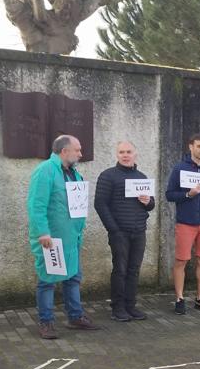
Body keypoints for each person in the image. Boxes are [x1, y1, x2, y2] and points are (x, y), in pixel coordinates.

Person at [27, 134, 99, 339]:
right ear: (64, 151)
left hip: (72, 237)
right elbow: (36, 205)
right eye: (77, 150)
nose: (80, 154)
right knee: (47, 281)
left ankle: (75, 317)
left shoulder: (74, 173)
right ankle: (46, 322)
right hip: (52, 239)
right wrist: (42, 232)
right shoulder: (45, 171)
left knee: (73, 277)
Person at [94, 141, 156, 321]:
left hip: (139, 231)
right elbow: (100, 204)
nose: (125, 155)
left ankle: (130, 306)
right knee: (120, 270)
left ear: (135, 154)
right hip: (119, 232)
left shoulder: (142, 177)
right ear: (117, 155)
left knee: (134, 270)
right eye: (121, 152)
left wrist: (148, 202)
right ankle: (118, 307)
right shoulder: (108, 176)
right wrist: (113, 229)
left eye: (129, 151)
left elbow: (150, 205)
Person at [165, 133, 200, 314]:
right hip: (186, 223)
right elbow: (169, 194)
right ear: (190, 147)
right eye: (199, 146)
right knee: (181, 261)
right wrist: (188, 195)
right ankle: (179, 299)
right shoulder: (180, 169)